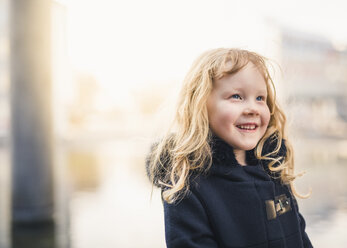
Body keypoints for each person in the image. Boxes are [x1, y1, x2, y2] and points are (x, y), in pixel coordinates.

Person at [146, 48, 313, 248]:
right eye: (236, 96)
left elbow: (300, 235)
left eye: (260, 98)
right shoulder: (187, 184)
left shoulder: (274, 167)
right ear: (200, 105)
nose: (252, 108)